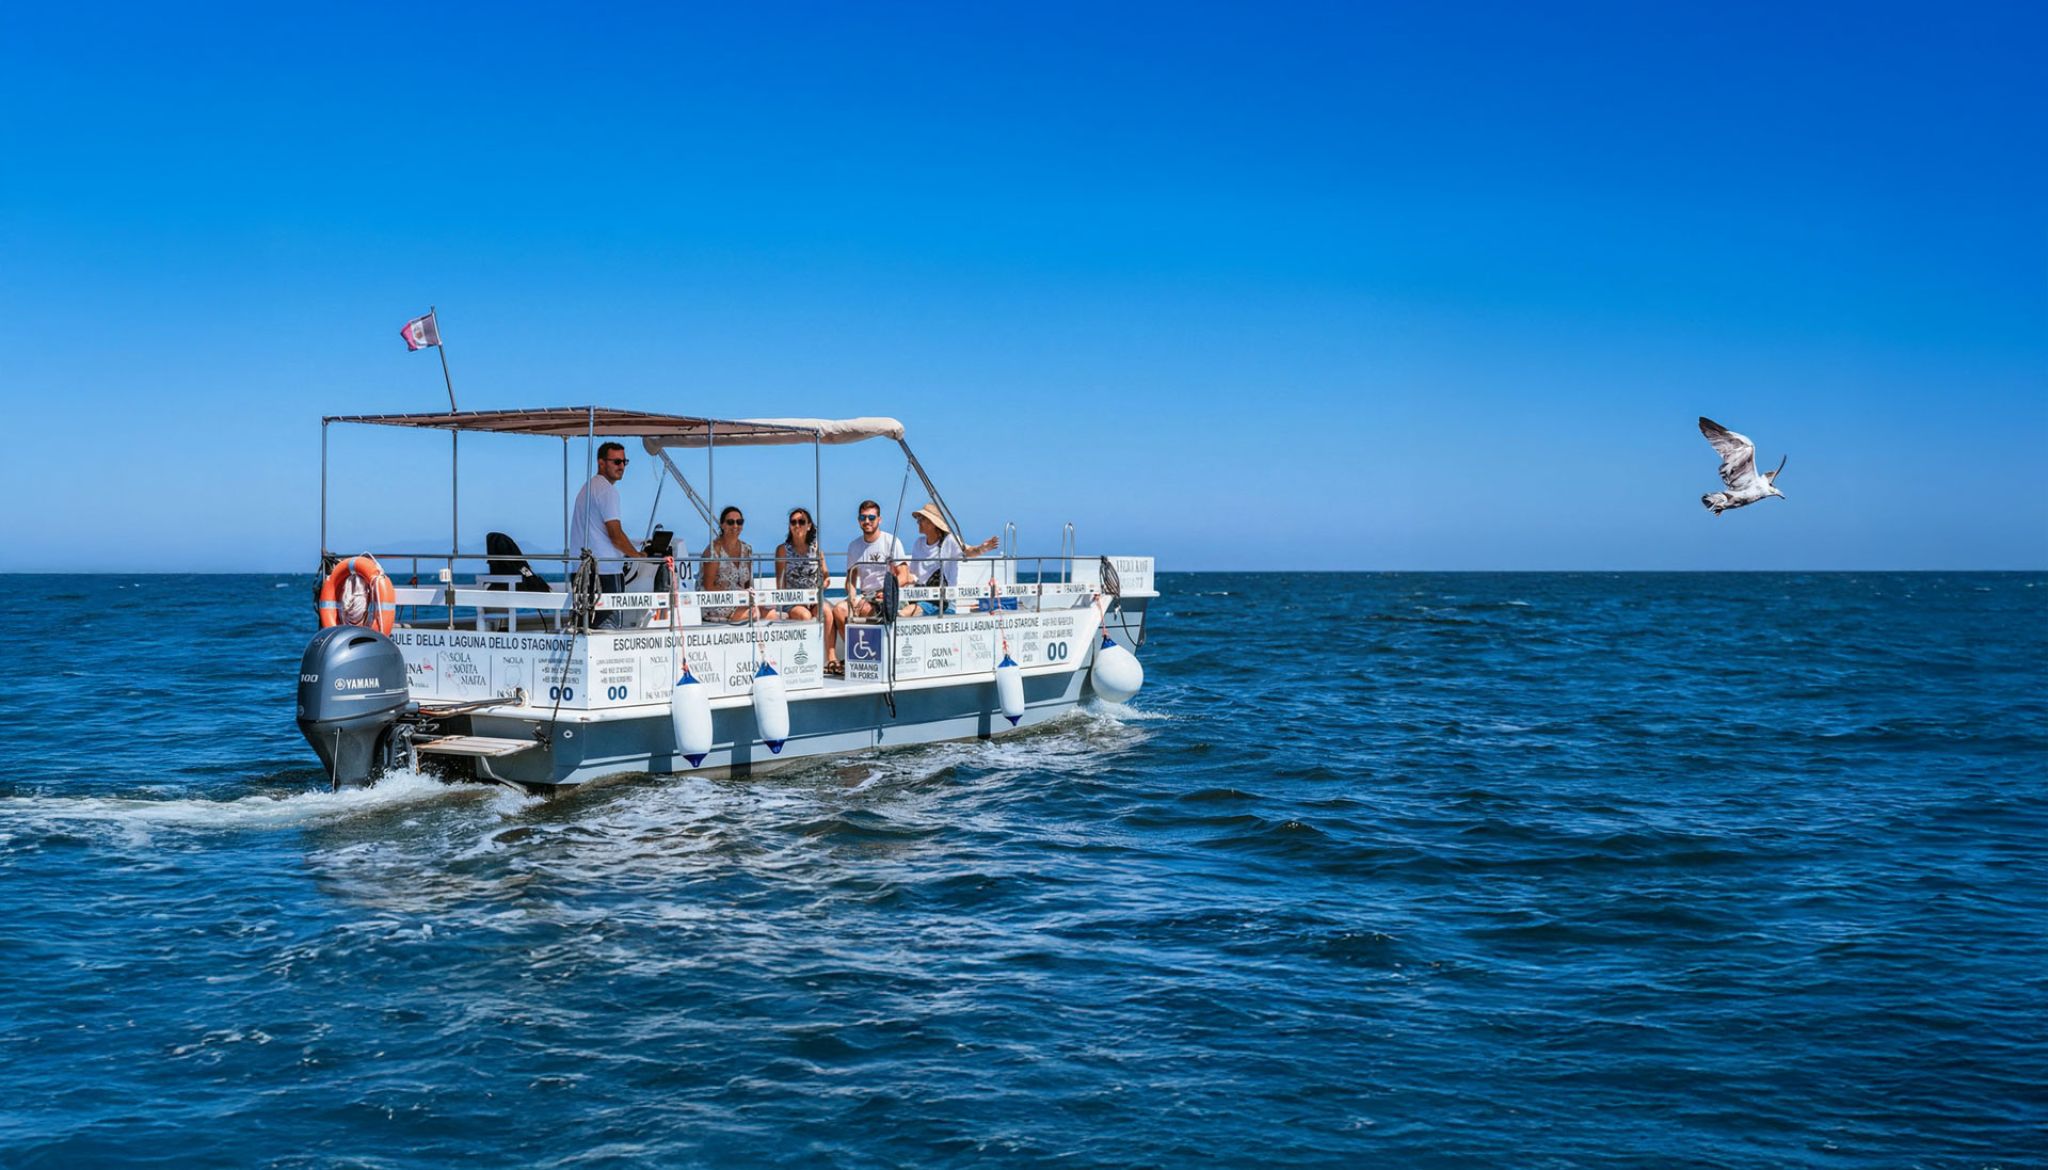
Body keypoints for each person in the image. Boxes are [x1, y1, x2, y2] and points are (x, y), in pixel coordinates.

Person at [824, 499, 904, 676]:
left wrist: (885, 592)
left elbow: (903, 575)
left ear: (879, 519)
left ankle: (871, 657)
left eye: (871, 517)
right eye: (863, 517)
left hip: (887, 596)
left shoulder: (891, 542)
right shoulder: (854, 546)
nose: (867, 521)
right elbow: (851, 578)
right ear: (858, 520)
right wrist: (852, 597)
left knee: (867, 609)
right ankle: (858, 656)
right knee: (839, 609)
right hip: (865, 595)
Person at [570, 441, 641, 627]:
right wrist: (638, 555)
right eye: (616, 462)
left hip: (582, 570)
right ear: (601, 463)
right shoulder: (607, 492)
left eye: (624, 462)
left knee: (584, 625)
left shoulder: (588, 488)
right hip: (606, 572)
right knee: (608, 627)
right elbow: (615, 535)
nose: (622, 467)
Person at [896, 502, 999, 617]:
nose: (917, 522)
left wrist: (983, 548)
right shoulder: (918, 544)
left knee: (907, 612)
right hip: (921, 596)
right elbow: (914, 575)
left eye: (921, 519)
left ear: (932, 523)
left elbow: (968, 551)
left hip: (943, 602)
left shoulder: (950, 541)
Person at [699, 506, 775, 623]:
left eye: (739, 522)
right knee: (755, 613)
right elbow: (708, 586)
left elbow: (747, 584)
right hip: (718, 603)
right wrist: (736, 594)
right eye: (730, 522)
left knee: (771, 614)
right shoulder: (713, 551)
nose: (735, 526)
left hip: (740, 601)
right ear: (723, 525)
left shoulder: (747, 549)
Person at [775, 507, 827, 622]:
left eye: (801, 522)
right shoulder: (783, 550)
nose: (797, 525)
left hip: (813, 599)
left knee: (827, 613)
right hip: (792, 601)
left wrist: (821, 587)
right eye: (793, 522)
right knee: (805, 616)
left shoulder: (816, 549)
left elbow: (826, 576)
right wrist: (798, 600)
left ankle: (827, 641)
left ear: (809, 526)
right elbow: (780, 584)